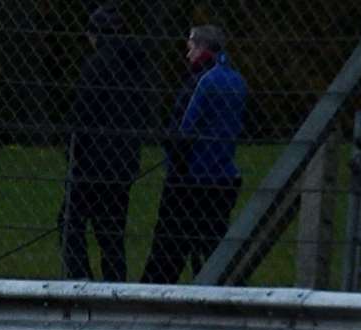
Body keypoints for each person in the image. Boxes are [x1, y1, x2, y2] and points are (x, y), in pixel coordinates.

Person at [141, 24, 248, 284]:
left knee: (168, 247)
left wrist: (172, 155)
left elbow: (184, 129)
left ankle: (151, 296)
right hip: (222, 176)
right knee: (211, 244)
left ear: (201, 48)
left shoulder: (201, 82)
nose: (187, 55)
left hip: (190, 177)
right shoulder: (236, 80)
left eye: (190, 47)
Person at [61, 5, 149, 282]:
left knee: (69, 222)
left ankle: (80, 278)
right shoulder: (135, 66)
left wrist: (73, 149)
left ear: (94, 33)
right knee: (111, 230)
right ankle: (115, 284)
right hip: (123, 161)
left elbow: (82, 114)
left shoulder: (96, 65)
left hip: (92, 163)